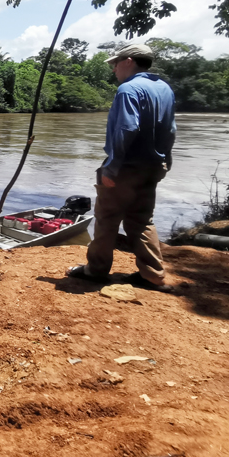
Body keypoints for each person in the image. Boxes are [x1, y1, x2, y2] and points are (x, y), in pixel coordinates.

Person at [67, 43, 176, 291]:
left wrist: (112, 168)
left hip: (126, 167)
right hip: (153, 165)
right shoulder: (164, 89)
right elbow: (171, 129)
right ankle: (153, 274)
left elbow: (127, 128)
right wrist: (166, 158)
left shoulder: (128, 89)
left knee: (106, 218)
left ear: (129, 60)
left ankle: (95, 270)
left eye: (115, 63)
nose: (113, 68)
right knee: (142, 219)